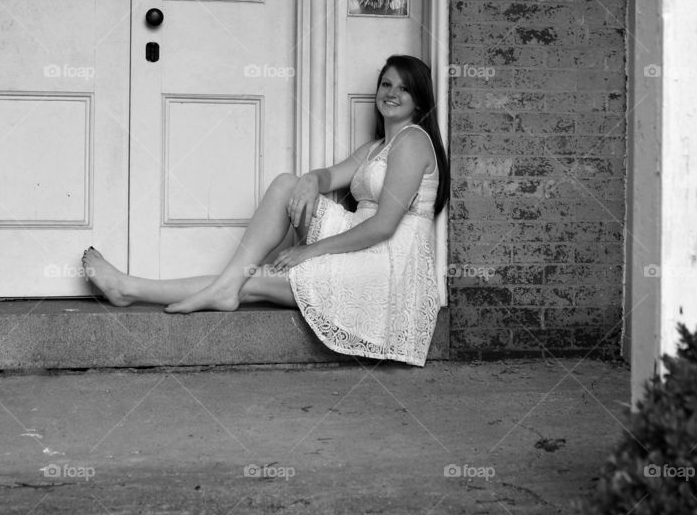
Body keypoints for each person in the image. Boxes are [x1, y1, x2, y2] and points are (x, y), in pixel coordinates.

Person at [83, 54, 450, 365]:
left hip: (387, 265)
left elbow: (384, 226)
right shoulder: (376, 148)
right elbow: (330, 175)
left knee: (254, 280)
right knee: (286, 184)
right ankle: (205, 287)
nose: (392, 93)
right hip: (361, 245)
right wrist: (311, 179)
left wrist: (307, 251)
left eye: (403, 88)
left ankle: (130, 288)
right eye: (386, 84)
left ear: (418, 101)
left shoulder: (413, 141)